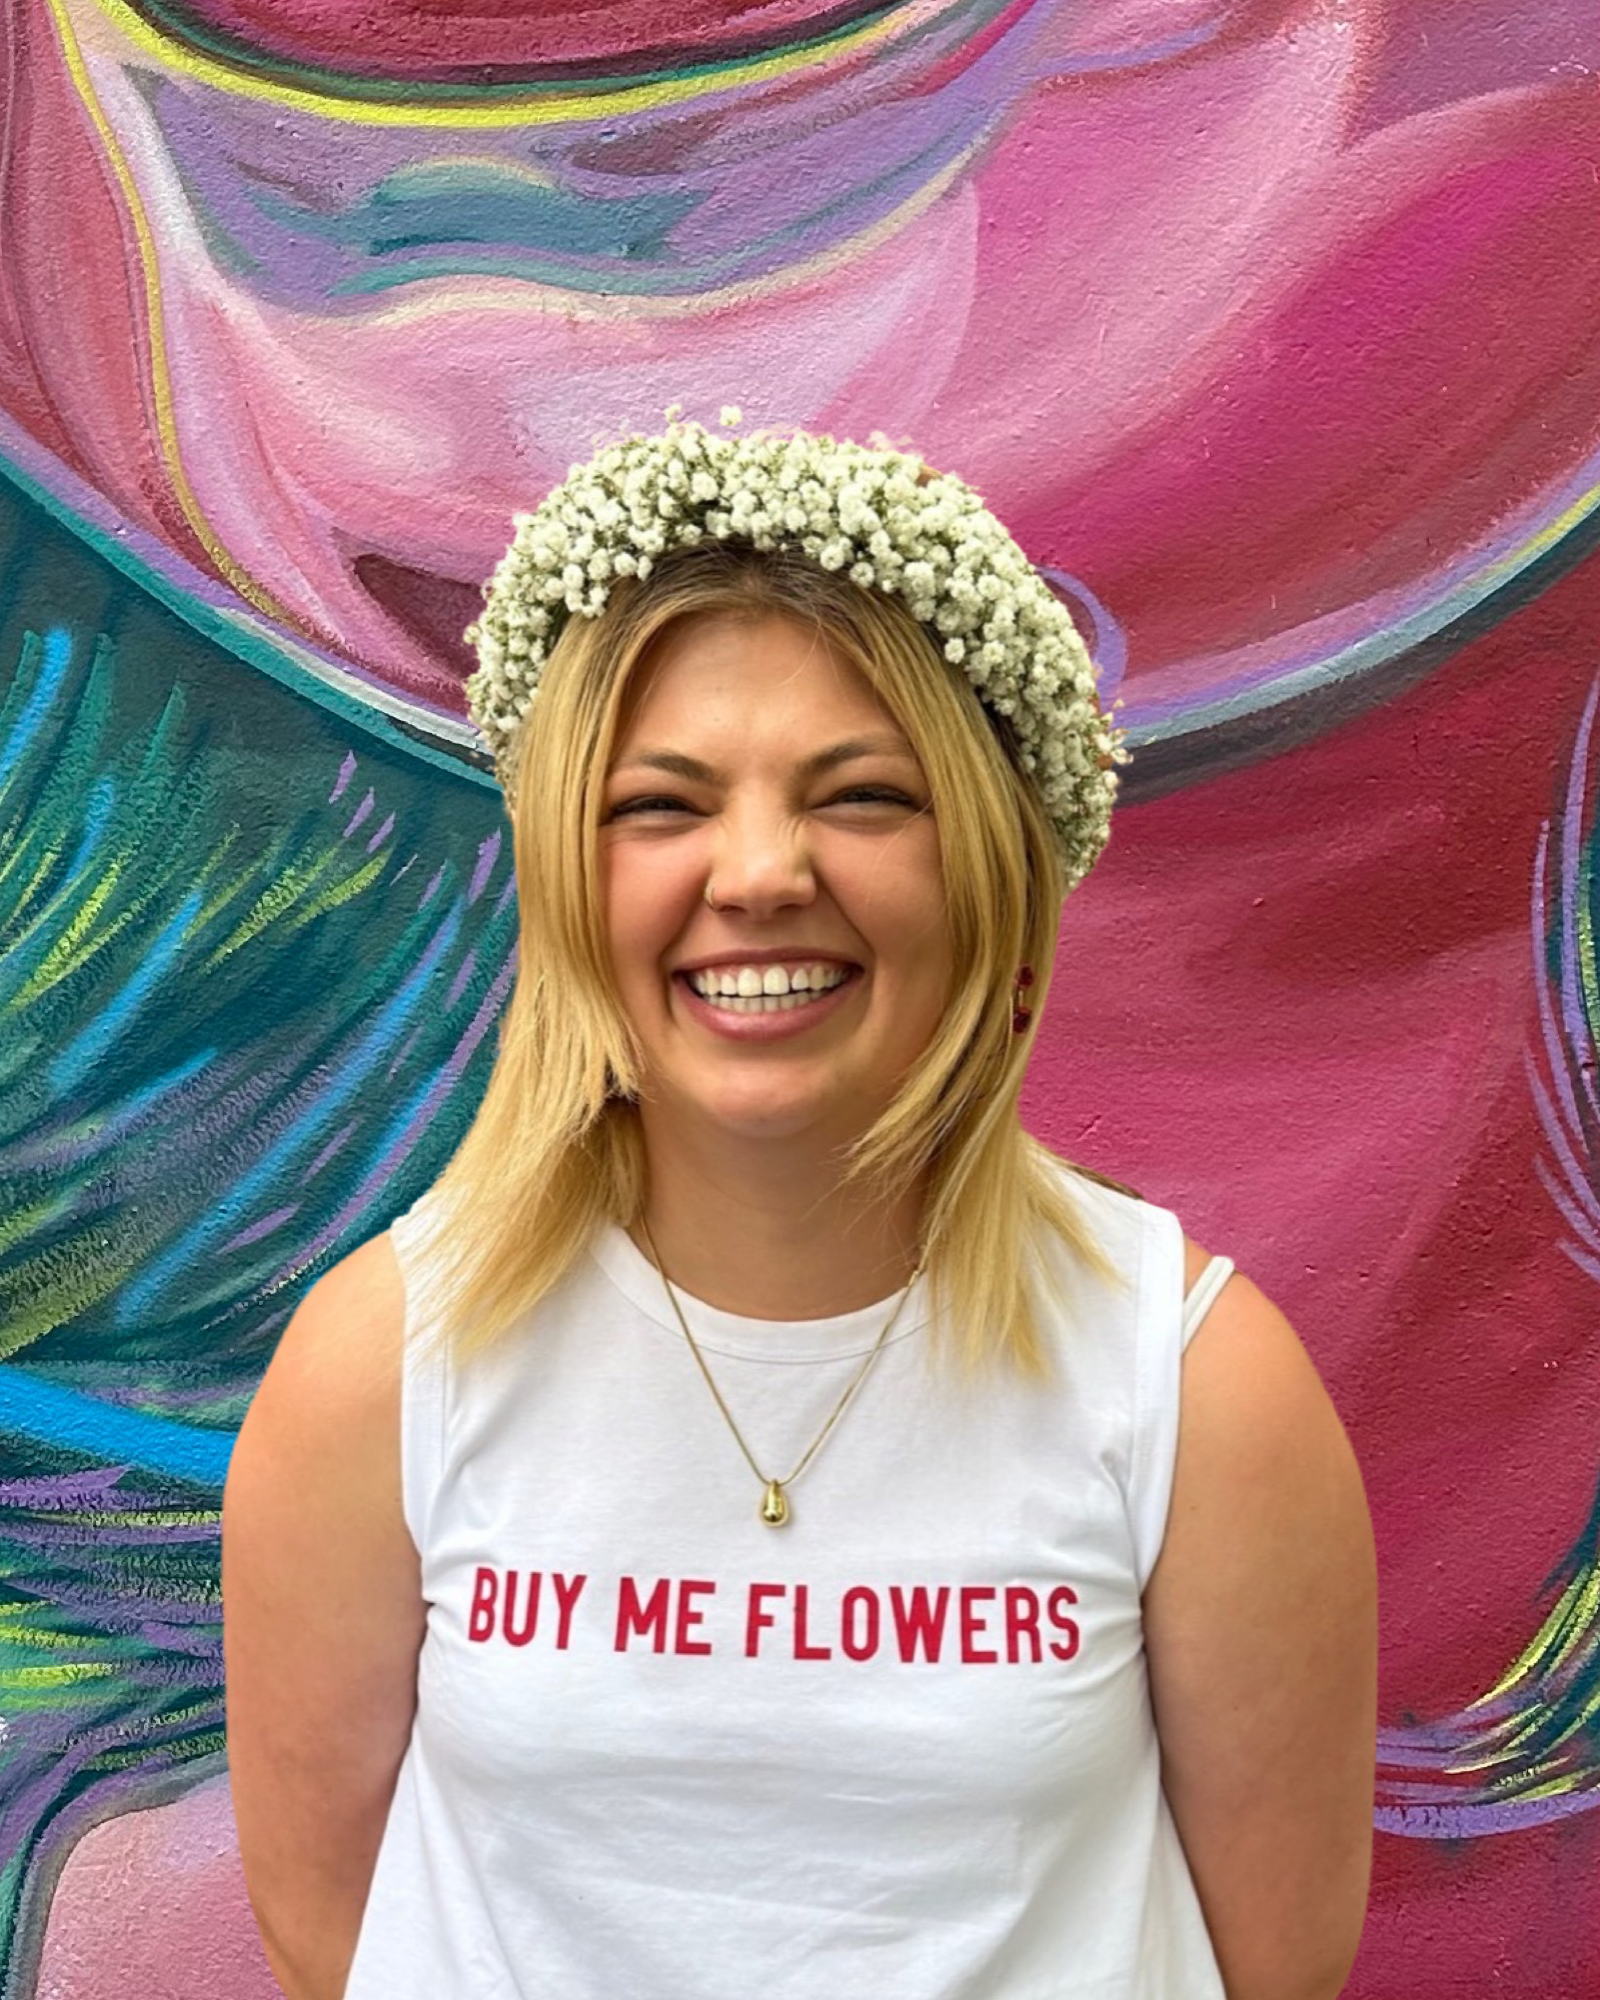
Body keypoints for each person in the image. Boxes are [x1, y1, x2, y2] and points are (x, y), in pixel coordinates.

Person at [222, 418, 1377, 2000]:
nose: (758, 872)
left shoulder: (1192, 1386)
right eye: (663, 806)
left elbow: (1277, 1964)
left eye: (860, 797)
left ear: (988, 870)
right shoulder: (381, 1364)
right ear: (571, 878)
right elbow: (329, 1934)